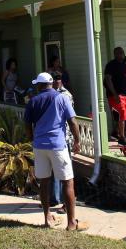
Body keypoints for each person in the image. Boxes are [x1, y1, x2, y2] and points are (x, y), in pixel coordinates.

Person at [24, 72, 86, 231]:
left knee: (44, 182)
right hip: (58, 145)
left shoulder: (33, 101)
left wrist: (32, 139)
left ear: (39, 85)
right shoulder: (62, 98)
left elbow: (27, 125)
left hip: (39, 146)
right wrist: (78, 141)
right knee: (68, 181)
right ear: (51, 84)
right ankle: (72, 223)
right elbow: (72, 121)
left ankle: (47, 218)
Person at [50, 72, 75, 212]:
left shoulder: (65, 95)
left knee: (66, 172)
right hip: (54, 138)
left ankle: (67, 204)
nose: (56, 82)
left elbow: (70, 119)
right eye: (54, 79)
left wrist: (76, 140)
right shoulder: (51, 94)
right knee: (53, 170)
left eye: (58, 79)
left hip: (64, 138)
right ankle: (54, 198)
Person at [104, 47, 126, 146]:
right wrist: (115, 94)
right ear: (115, 54)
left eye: (122, 53)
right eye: (118, 53)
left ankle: (115, 132)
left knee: (121, 116)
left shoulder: (125, 65)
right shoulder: (111, 65)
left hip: (125, 94)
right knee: (121, 115)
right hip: (115, 95)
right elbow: (108, 79)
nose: (121, 54)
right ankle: (122, 138)